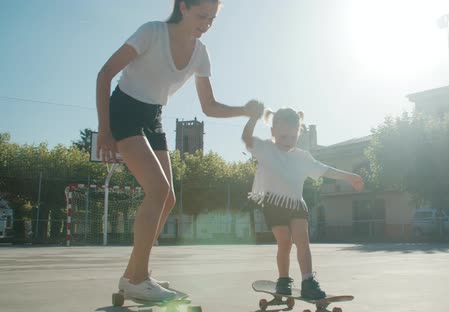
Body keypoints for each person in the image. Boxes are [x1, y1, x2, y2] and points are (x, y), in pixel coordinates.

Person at [96, 0, 263, 301]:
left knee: (168, 198)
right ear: (183, 7)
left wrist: (244, 111)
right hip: (124, 110)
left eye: (212, 19)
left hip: (153, 117)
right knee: (158, 192)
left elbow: (209, 107)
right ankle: (139, 278)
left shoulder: (201, 53)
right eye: (202, 16)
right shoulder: (152, 32)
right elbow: (105, 73)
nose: (206, 24)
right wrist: (105, 130)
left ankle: (131, 275)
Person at [242, 107, 364, 299]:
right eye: (283, 137)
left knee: (302, 242)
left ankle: (308, 281)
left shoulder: (302, 157)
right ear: (273, 132)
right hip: (274, 206)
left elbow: (325, 170)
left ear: (298, 133)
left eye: (292, 136)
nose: (287, 141)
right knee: (284, 244)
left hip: (297, 205)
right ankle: (283, 281)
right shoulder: (266, 149)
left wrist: (349, 177)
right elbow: (247, 138)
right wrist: (253, 119)